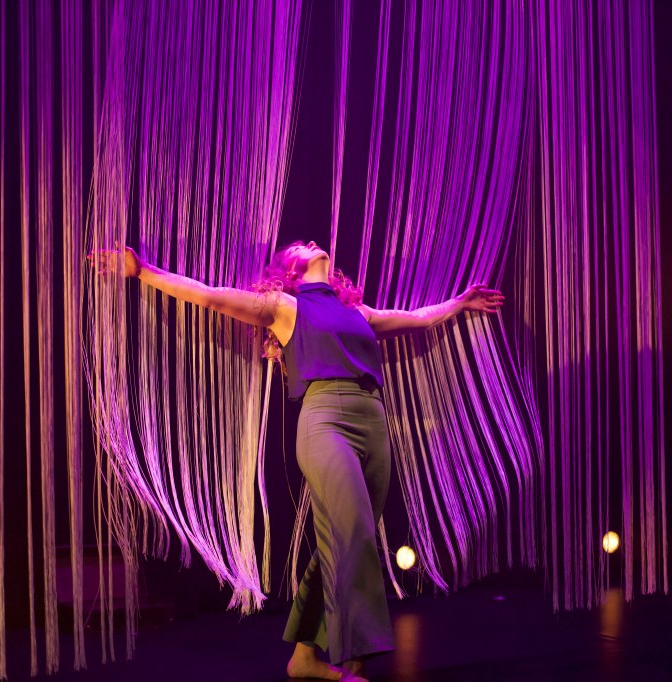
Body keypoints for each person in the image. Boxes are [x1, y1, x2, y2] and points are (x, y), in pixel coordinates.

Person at [88, 240, 503, 681]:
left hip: (373, 419)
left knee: (343, 535)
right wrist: (142, 272)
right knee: (356, 531)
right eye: (300, 247)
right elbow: (206, 294)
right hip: (324, 420)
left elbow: (416, 318)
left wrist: (461, 303)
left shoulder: (358, 314)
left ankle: (304, 657)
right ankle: (354, 661)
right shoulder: (283, 306)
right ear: (291, 270)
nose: (311, 243)